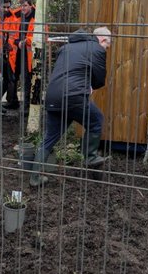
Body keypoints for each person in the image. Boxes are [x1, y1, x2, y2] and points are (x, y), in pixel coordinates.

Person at [27, 26, 113, 185]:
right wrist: (90, 85)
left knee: (49, 138)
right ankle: (90, 156)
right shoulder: (97, 49)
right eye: (107, 45)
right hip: (74, 96)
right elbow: (100, 79)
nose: (106, 48)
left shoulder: (65, 47)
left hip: (53, 96)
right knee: (96, 120)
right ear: (102, 40)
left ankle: (34, 177)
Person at [6, 0, 37, 117]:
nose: (23, 8)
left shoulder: (37, 16)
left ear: (30, 5)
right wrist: (16, 42)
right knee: (12, 76)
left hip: (29, 54)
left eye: (25, 5)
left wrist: (26, 41)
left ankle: (26, 106)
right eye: (21, 5)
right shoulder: (16, 15)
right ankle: (12, 101)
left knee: (26, 79)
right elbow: (10, 32)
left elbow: (38, 36)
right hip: (15, 52)